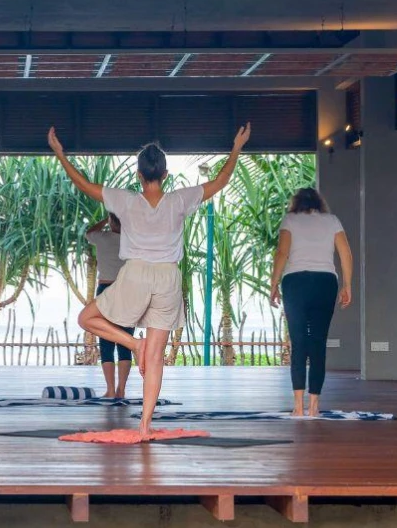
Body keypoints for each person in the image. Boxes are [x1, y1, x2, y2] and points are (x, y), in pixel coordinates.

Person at [49, 123, 250, 437]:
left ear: (139, 175)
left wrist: (60, 155)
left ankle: (132, 344)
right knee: (155, 357)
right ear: (165, 175)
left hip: (138, 272)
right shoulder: (180, 199)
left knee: (86, 318)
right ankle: (144, 425)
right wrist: (236, 147)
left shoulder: (125, 200)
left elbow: (85, 185)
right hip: (169, 277)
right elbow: (222, 181)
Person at [268, 187, 353, 417]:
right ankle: (314, 405)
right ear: (319, 203)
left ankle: (298, 406)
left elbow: (282, 253)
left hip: (295, 283)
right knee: (318, 343)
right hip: (325, 282)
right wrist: (347, 285)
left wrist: (273, 284)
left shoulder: (290, 220)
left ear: (296, 203)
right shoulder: (332, 221)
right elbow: (346, 253)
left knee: (298, 343)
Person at [85, 214, 131, 398]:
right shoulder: (132, 241)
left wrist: (104, 219)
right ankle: (121, 390)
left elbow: (89, 233)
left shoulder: (102, 238)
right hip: (127, 290)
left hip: (106, 289)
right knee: (125, 340)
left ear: (111, 222)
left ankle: (111, 389)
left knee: (106, 342)